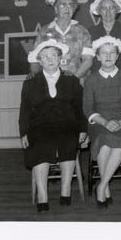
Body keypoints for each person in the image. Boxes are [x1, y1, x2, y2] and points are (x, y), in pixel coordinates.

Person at [19, 39, 88, 212]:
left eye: (54, 56)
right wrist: (24, 133)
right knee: (39, 146)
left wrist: (83, 130)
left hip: (67, 125)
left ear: (60, 59)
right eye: (45, 56)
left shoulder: (71, 81)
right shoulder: (30, 83)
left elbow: (80, 109)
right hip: (40, 127)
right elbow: (25, 111)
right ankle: (43, 195)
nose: (50, 59)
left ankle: (65, 191)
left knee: (68, 142)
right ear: (40, 61)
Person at [83, 36, 121, 208]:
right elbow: (88, 109)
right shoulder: (91, 80)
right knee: (105, 144)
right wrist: (105, 122)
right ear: (97, 57)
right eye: (103, 53)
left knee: (118, 143)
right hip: (99, 122)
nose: (108, 56)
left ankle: (102, 186)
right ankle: (105, 188)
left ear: (117, 56)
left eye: (112, 52)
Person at [29, 0, 94, 82]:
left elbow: (88, 60)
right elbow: (35, 60)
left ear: (74, 9)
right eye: (63, 4)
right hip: (50, 83)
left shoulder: (82, 31)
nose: (67, 8)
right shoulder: (44, 31)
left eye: (71, 5)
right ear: (56, 8)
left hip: (75, 83)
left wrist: (73, 79)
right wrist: (38, 79)